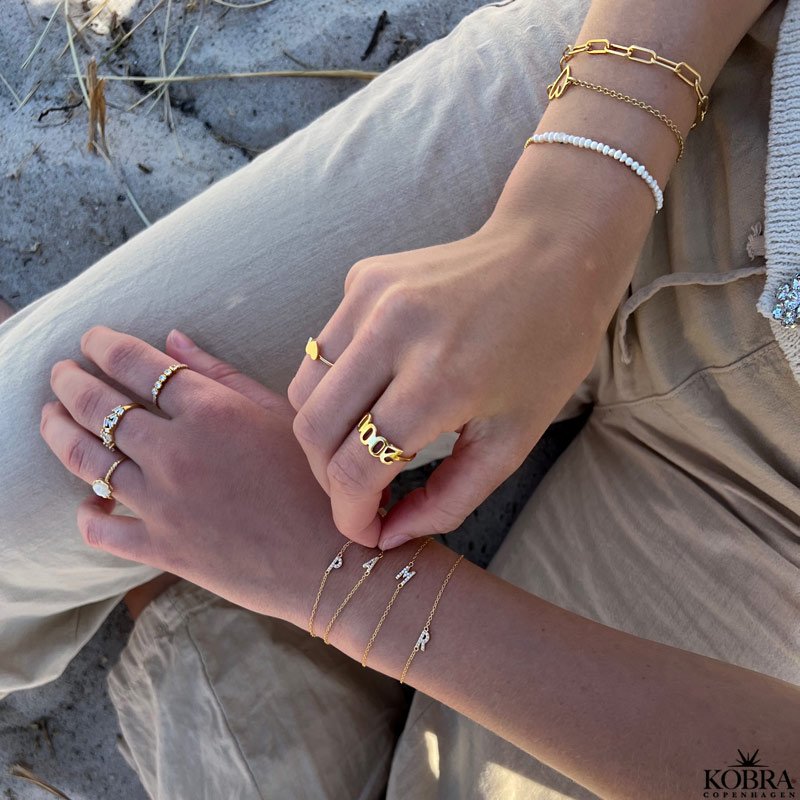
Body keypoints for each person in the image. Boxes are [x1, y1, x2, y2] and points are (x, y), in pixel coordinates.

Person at [2, 0, 798, 796]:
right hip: (689, 123)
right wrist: (558, 228)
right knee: (22, 470)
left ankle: (187, 565)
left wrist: (339, 582)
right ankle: (189, 551)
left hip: (772, 521)